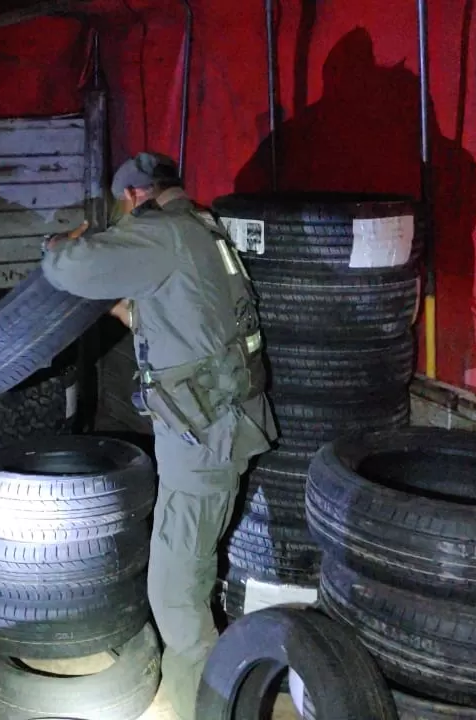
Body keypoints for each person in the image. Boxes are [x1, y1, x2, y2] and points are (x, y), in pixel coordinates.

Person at [40, 152, 277, 719]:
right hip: (223, 426)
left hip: (203, 440)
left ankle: (208, 705)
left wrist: (58, 246)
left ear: (133, 198)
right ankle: (196, 696)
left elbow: (68, 267)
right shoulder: (202, 229)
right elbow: (191, 317)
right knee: (191, 568)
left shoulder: (162, 233)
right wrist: (129, 312)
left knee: (175, 591)